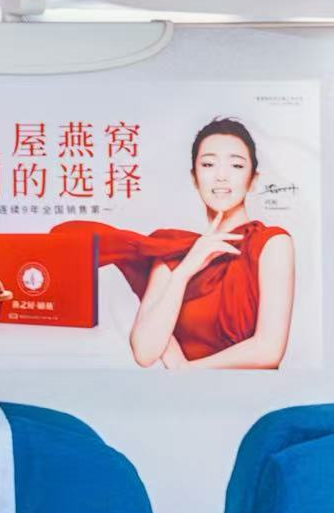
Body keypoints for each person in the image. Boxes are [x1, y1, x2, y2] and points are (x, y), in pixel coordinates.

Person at [55, 118, 295, 369]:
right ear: (194, 178)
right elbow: (145, 353)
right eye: (208, 164)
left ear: (253, 179)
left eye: (236, 165)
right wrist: (184, 272)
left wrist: (186, 371)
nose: (221, 176)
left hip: (250, 393)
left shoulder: (271, 244)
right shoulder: (173, 250)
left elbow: (268, 350)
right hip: (180, 392)